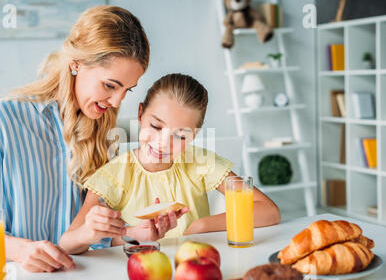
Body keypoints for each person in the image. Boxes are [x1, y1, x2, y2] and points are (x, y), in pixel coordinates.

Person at [0, 6, 180, 273]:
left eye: (126, 89)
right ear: (76, 63)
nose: (117, 101)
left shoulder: (104, 133)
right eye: (110, 85)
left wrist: (138, 234)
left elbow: (89, 239)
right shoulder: (2, 121)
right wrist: (23, 251)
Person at [59, 73, 281, 254]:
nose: (163, 144)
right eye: (156, 126)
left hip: (198, 267)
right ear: (140, 114)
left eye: (181, 136)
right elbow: (69, 244)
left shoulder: (199, 162)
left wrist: (200, 227)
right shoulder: (114, 174)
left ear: (194, 136)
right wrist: (133, 234)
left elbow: (269, 211)